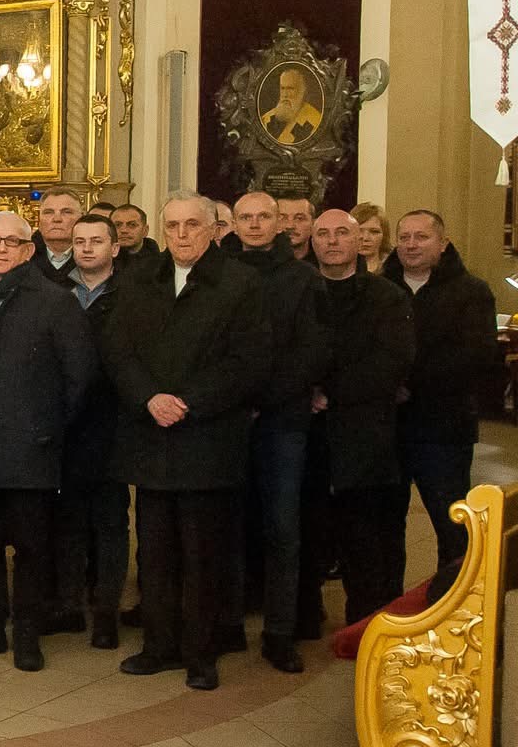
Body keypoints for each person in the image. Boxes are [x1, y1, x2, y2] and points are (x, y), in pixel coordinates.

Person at [107, 192, 268, 691]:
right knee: (154, 553)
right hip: (151, 435)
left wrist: (187, 402)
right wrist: (149, 398)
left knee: (202, 555)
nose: (181, 235)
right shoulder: (140, 278)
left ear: (214, 230)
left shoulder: (241, 283)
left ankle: (201, 653)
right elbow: (117, 349)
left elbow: (247, 361)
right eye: (172, 226)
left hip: (207, 437)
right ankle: (158, 646)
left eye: (192, 225)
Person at [0, 212, 95, 672]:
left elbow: (79, 377)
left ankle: (28, 636)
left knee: (32, 549)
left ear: (28, 250)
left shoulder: (55, 301)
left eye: (10, 242)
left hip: (32, 448)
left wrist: (46, 428)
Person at [222, 191, 327, 672]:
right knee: (228, 524)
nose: (255, 224)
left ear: (278, 223)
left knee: (282, 526)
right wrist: (235, 399)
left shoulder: (302, 278)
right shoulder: (218, 272)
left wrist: (260, 400)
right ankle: (227, 623)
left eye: (264, 216)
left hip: (283, 420)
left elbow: (311, 350)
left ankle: (280, 631)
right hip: (227, 419)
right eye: (245, 217)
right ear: (234, 223)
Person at [304, 208, 414, 628]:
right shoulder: (300, 292)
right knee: (308, 533)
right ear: (313, 241)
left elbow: (392, 361)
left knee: (365, 538)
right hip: (308, 432)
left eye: (341, 233)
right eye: (323, 234)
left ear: (358, 242)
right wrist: (305, 390)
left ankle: (367, 627)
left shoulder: (387, 296)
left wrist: (330, 393)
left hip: (365, 434)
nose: (332, 241)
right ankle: (305, 619)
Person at [384, 209, 501, 574]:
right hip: (386, 427)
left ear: (443, 243)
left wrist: (409, 384)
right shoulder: (380, 288)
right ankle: (386, 603)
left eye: (421, 237)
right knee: (383, 527)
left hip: (443, 428)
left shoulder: (471, 291)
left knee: (452, 524)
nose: (411, 245)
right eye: (404, 237)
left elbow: (476, 356)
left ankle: (452, 598)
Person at [53, 212, 129, 649]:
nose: (85, 248)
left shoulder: (132, 294)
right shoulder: (55, 291)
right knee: (68, 520)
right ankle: (68, 605)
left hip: (112, 424)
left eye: (96, 241)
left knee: (110, 523)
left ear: (114, 247)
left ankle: (105, 612)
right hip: (65, 424)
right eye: (79, 241)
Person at [31, 190, 82, 286]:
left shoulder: (95, 257)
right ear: (39, 221)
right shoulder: (22, 258)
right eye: (48, 212)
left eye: (66, 212)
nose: (57, 219)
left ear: (81, 219)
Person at [353, 202, 391, 275]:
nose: (366, 238)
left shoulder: (395, 270)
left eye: (374, 232)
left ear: (384, 235)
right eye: (359, 231)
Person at [277, 195, 316, 263]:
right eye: (282, 218)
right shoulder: (259, 263)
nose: (290, 226)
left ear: (313, 224)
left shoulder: (324, 261)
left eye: (299, 218)